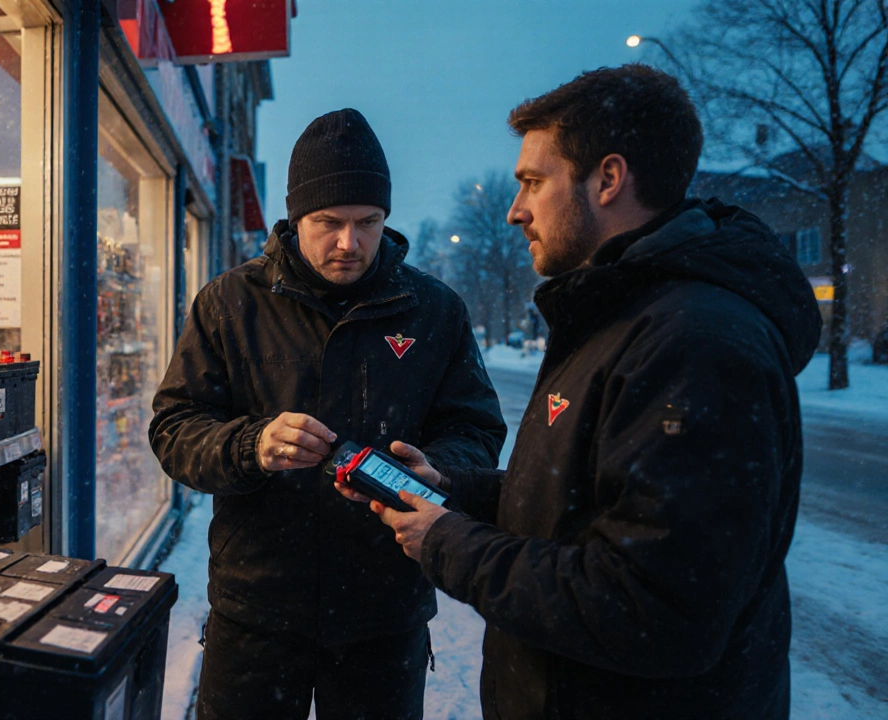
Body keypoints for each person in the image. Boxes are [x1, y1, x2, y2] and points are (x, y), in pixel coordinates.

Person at [341, 65, 822, 719]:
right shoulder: (622, 316)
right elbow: (587, 501)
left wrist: (449, 541)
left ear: (608, 179)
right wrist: (457, 489)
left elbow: (651, 608)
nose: (516, 210)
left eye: (533, 182)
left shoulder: (696, 343)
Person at [150, 108, 506, 719]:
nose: (350, 242)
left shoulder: (433, 310)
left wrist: (438, 469)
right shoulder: (231, 303)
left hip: (383, 612)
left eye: (368, 222)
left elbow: (475, 429)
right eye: (329, 223)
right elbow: (174, 427)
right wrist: (250, 446)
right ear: (295, 217)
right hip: (256, 609)